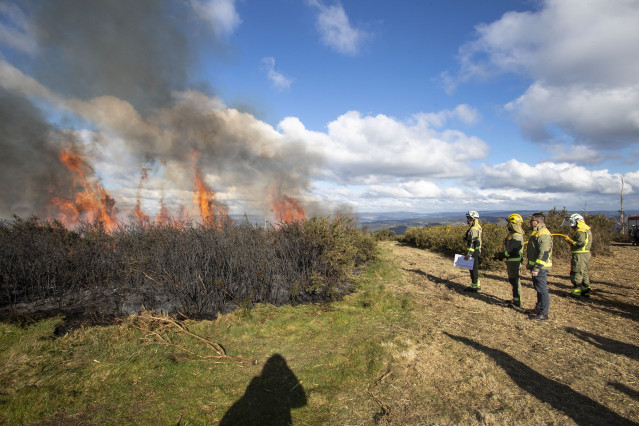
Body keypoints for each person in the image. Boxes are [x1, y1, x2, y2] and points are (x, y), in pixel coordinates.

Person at [526, 212, 553, 321]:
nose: (530, 222)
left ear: (537, 222)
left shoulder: (543, 234)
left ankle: (544, 313)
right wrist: (530, 263)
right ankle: (538, 308)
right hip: (536, 266)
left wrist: (537, 268)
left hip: (541, 267)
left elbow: (544, 253)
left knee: (542, 289)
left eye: (532, 220)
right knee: (538, 288)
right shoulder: (537, 233)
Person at [495, 213, 525, 308]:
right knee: (512, 280)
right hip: (511, 261)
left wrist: (502, 255)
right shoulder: (512, 234)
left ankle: (517, 302)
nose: (507, 225)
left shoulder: (517, 236)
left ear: (513, 224)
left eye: (509, 223)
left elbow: (513, 251)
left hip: (515, 262)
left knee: (515, 281)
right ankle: (515, 299)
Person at [562, 213, 592, 297]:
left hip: (580, 255)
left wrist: (570, 241)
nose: (571, 225)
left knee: (577, 272)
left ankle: (576, 292)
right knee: (584, 272)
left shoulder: (580, 231)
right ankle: (585, 291)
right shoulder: (586, 229)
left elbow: (580, 243)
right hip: (585, 254)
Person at [463, 210, 482, 292]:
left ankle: (474, 287)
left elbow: (473, 243)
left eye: (469, 219)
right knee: (474, 268)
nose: (468, 220)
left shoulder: (474, 229)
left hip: (473, 252)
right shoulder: (476, 227)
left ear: (474, 219)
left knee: (473, 269)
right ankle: (476, 284)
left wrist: (469, 254)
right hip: (475, 252)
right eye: (468, 218)